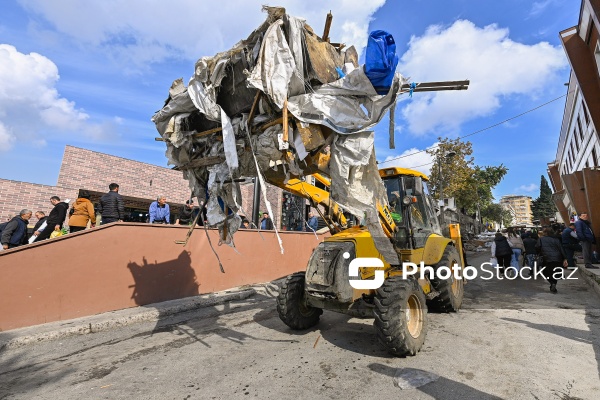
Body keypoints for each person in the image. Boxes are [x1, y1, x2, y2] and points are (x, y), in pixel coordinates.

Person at [536, 227, 569, 293]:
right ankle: (554, 284)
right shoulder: (556, 240)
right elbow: (561, 249)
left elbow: (537, 247)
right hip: (557, 258)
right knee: (555, 273)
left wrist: (539, 253)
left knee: (546, 272)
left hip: (546, 258)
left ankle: (552, 283)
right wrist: (565, 258)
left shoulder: (541, 239)